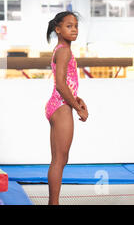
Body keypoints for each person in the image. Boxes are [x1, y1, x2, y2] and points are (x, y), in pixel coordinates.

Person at [45, 11, 89, 205]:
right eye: (69, 26)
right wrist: (77, 108)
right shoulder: (64, 50)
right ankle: (53, 203)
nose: (74, 30)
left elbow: (67, 83)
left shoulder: (60, 49)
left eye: (76, 26)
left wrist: (77, 99)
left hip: (59, 104)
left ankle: (52, 202)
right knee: (59, 160)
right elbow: (61, 85)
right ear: (58, 29)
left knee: (60, 159)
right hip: (61, 106)